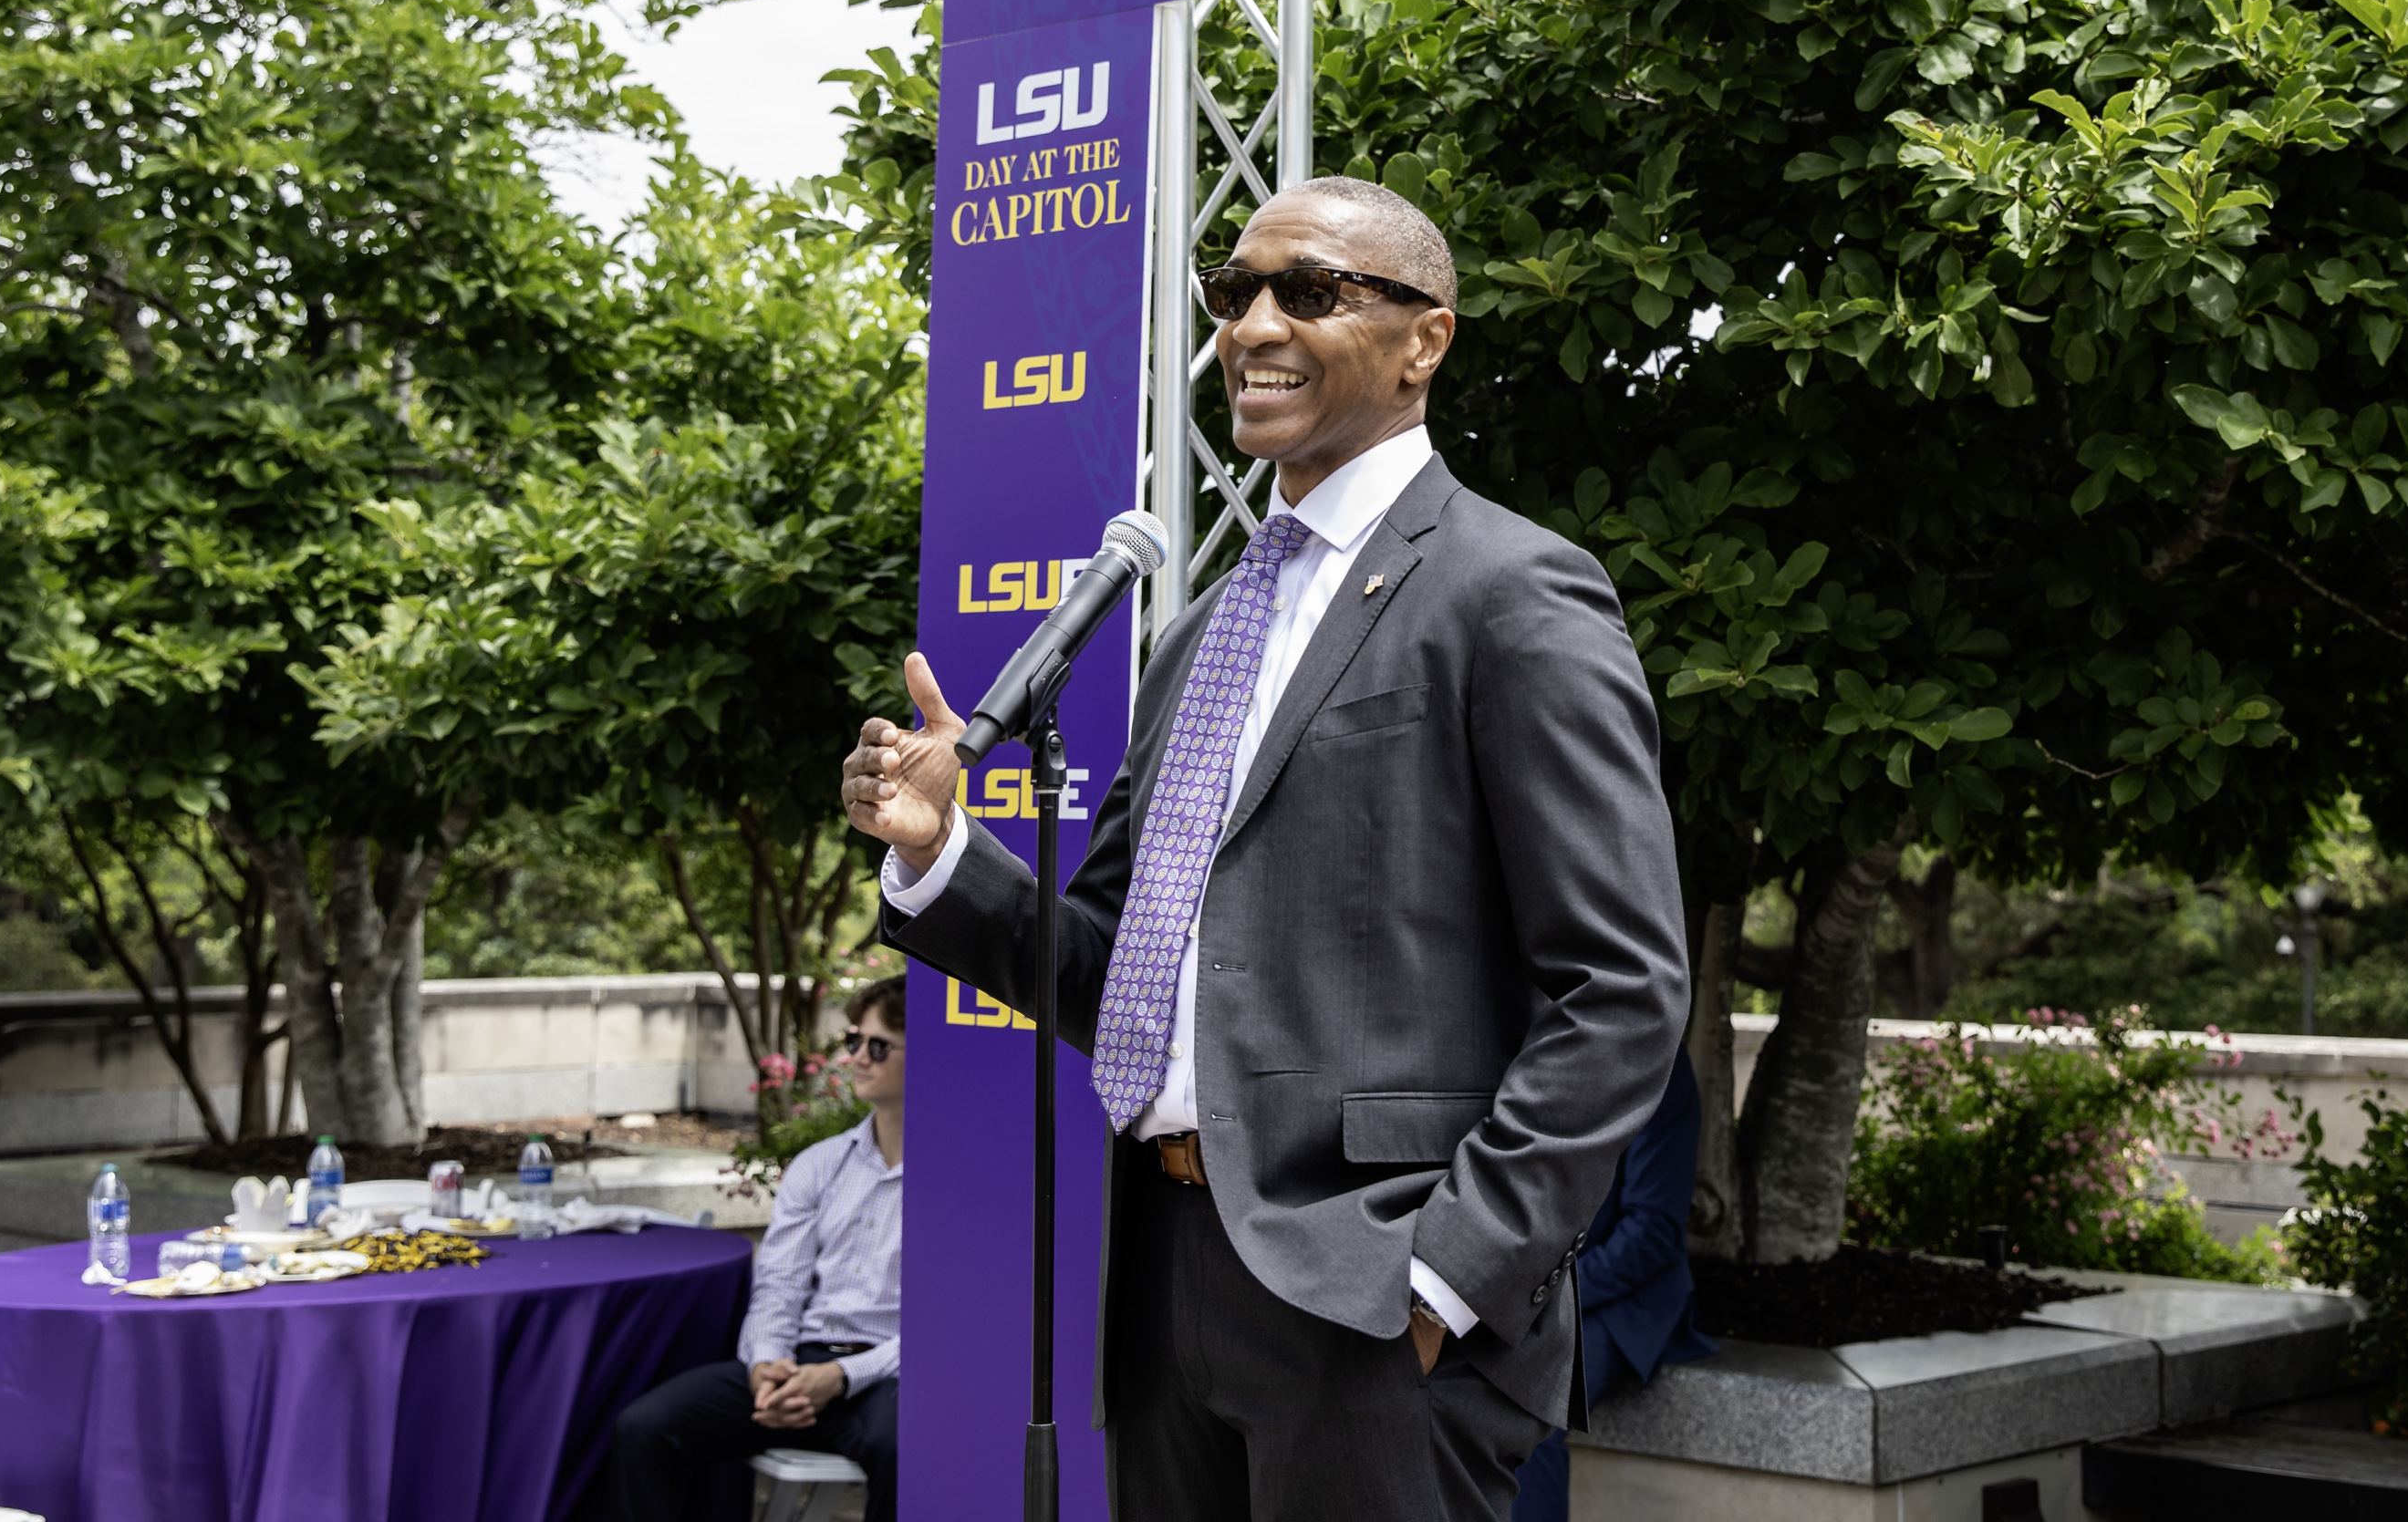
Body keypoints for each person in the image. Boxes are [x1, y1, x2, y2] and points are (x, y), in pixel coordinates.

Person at [842, 175, 1689, 1522]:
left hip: (1374, 1304)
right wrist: (945, 851)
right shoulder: (1199, 632)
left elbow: (1624, 988)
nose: (1252, 326)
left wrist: (1442, 1276)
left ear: (1426, 342)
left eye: (1310, 290)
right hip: (1165, 1284)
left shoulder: (1512, 589)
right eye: (1233, 292)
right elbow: (1113, 974)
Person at [601, 975, 905, 1522]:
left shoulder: (961, 1182)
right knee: (643, 1430)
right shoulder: (821, 1163)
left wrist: (840, 1379)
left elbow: (949, 1327)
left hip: (888, 1375)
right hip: (801, 1363)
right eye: (853, 1041)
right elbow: (779, 1286)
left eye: (877, 1046)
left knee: (902, 1453)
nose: (857, 1057)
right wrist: (767, 1365)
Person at [1508, 1046, 1717, 1522]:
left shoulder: (1661, 1065)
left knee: (1527, 1410)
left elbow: (1652, 1234)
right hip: (1528, 1289)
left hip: (1623, 1301)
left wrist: (1538, 1293)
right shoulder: (1525, 1047)